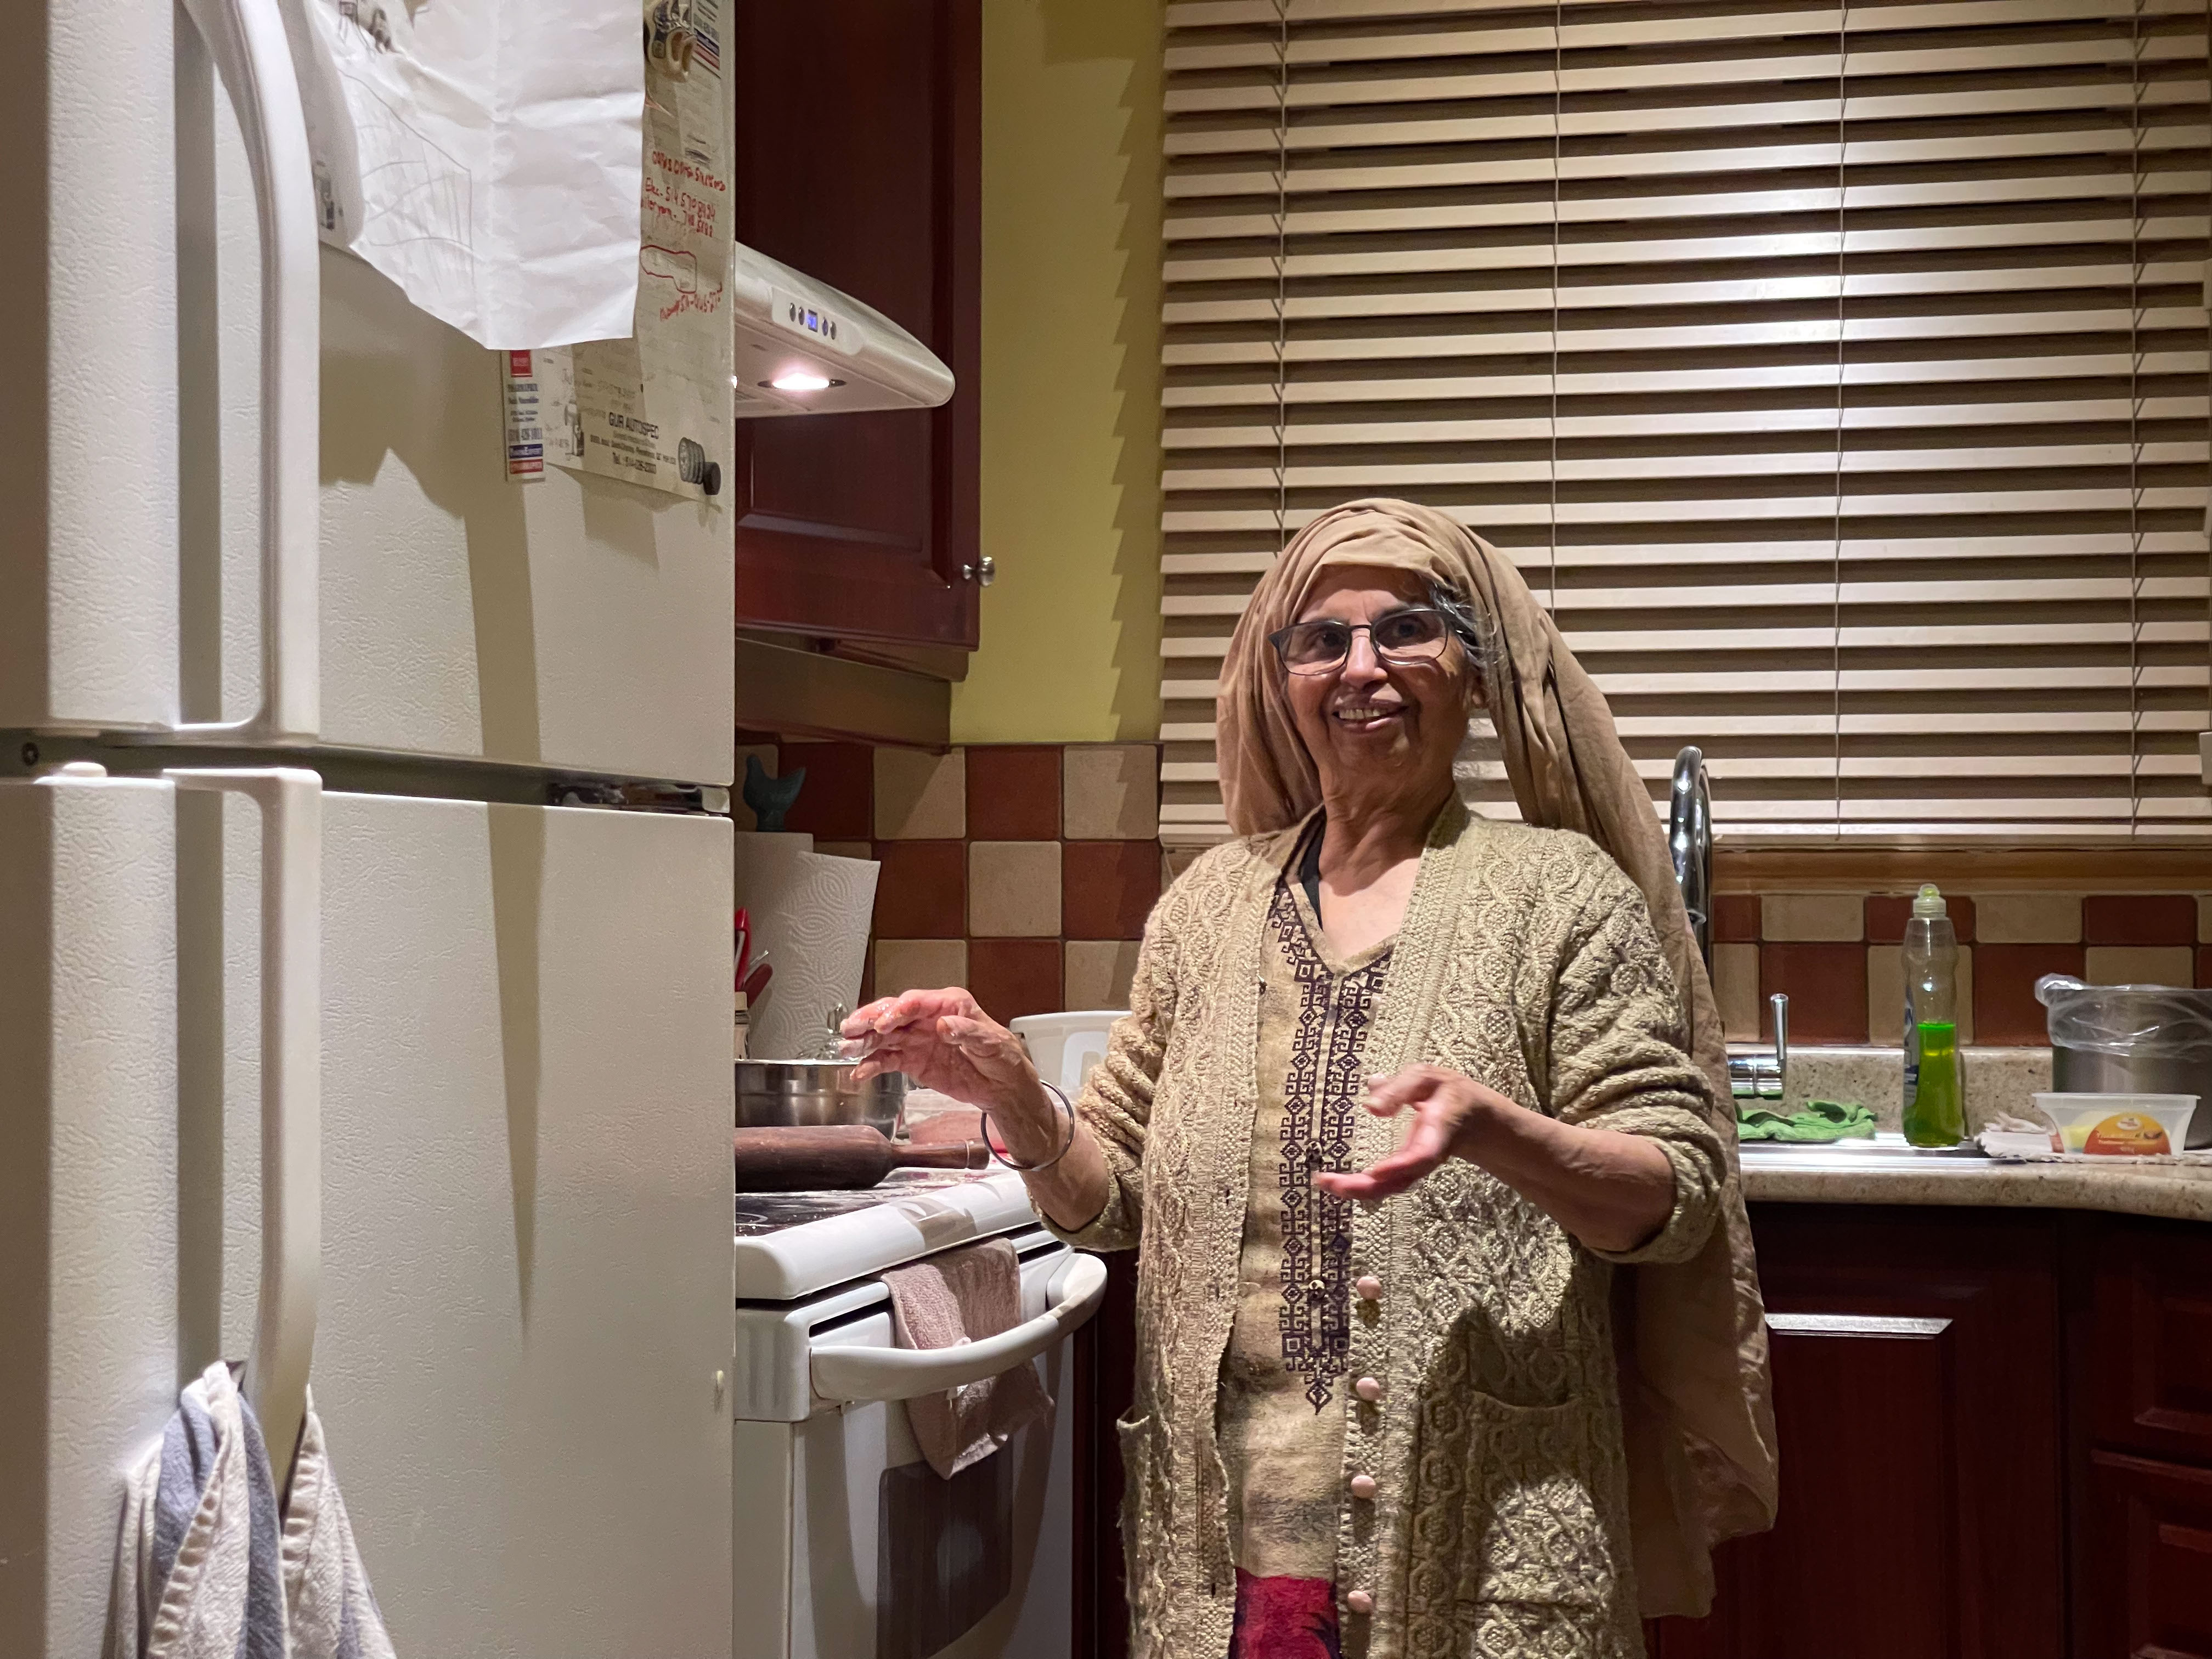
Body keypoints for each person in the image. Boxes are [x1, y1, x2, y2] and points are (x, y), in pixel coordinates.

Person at [845, 499, 1777, 1658]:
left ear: (1475, 670)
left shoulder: (1561, 896)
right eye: (1323, 640)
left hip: (1479, 1547)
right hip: (1224, 1563)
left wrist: (1499, 1132)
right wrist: (1017, 1099)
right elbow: (1113, 1201)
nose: (1362, 669)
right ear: (1279, 680)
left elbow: (1677, 1199)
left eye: (1407, 630)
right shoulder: (1209, 906)